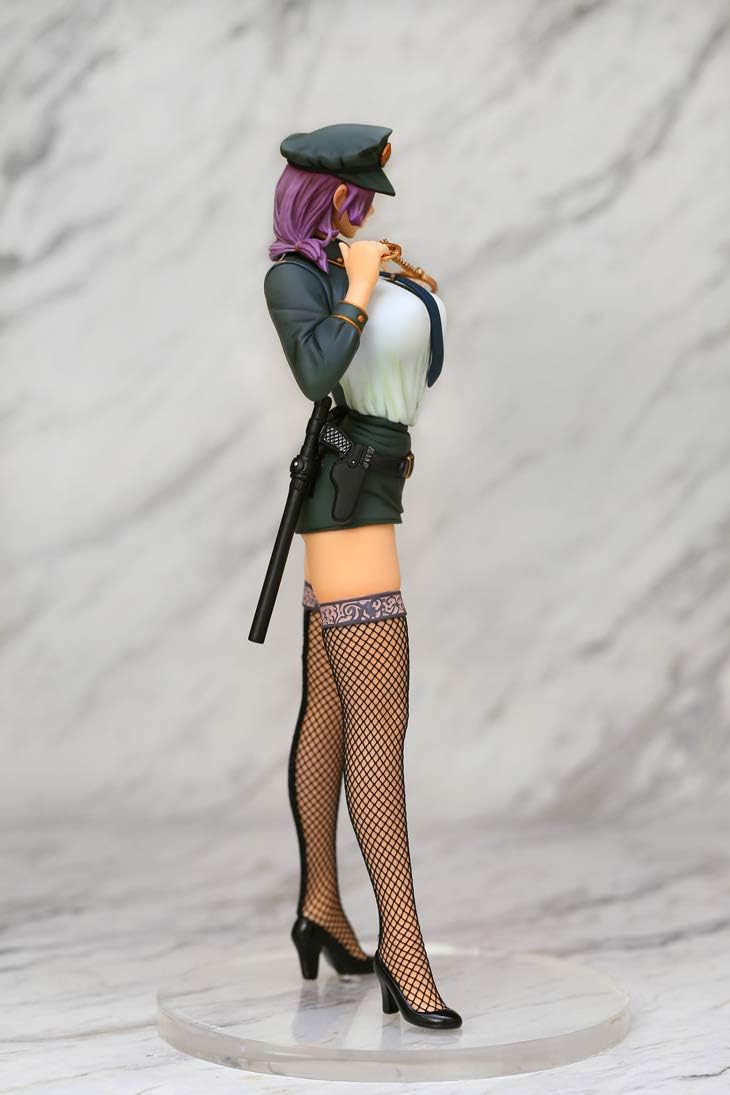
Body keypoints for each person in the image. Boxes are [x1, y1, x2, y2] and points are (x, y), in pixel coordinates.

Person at [263, 123, 461, 1030]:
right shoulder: (297, 277)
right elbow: (317, 373)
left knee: (335, 711)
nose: (368, 212)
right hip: (346, 492)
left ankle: (320, 909)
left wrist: (397, 285)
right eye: (356, 198)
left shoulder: (364, 262)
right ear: (326, 196)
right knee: (380, 727)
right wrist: (361, 287)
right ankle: (403, 953)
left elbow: (420, 371)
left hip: (380, 473)